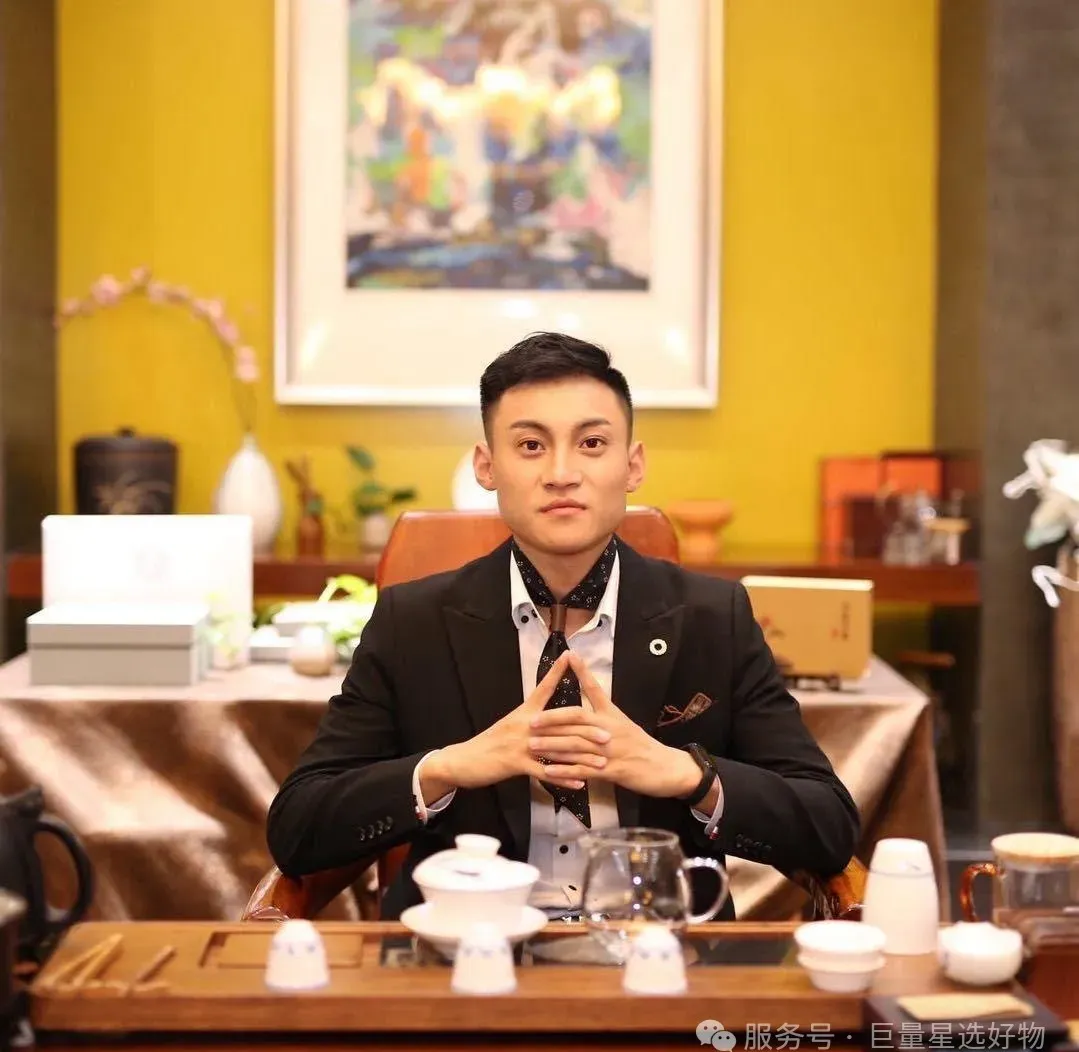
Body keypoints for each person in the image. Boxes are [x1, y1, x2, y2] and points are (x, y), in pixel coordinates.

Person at [266, 332, 859, 920]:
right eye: (530, 445)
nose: (561, 473)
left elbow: (828, 823)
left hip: (659, 945)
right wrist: (448, 767)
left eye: (592, 443)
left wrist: (686, 773)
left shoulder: (713, 618)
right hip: (464, 946)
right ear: (486, 467)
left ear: (633, 465)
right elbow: (297, 827)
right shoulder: (413, 621)